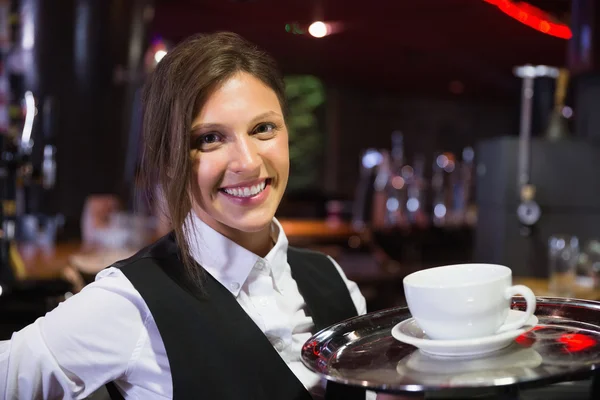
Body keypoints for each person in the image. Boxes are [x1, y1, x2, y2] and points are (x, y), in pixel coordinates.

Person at [0, 32, 377, 400]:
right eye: (210, 138)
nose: (247, 162)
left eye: (263, 128)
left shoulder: (334, 279)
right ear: (169, 159)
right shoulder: (130, 302)